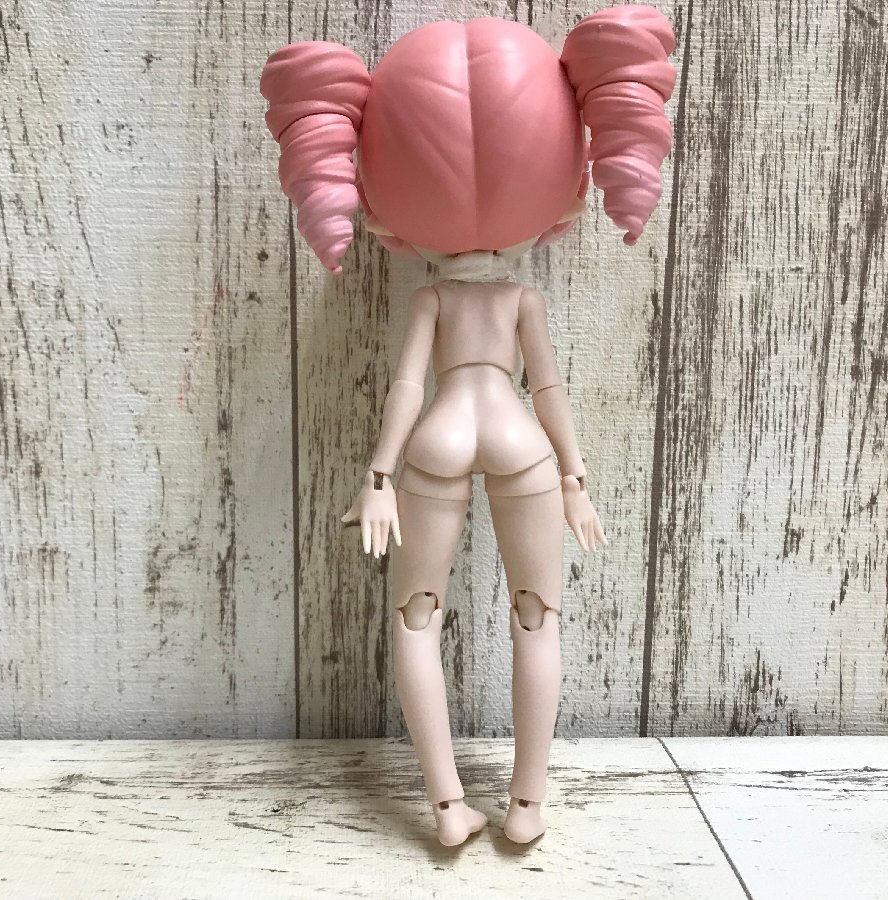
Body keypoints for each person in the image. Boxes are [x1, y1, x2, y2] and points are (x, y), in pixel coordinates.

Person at [260, 7, 676, 846]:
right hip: (521, 439)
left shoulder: (431, 298)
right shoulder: (522, 299)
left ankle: (448, 807)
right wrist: (574, 477)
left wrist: (379, 476)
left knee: (416, 616)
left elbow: (408, 387)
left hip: (438, 438)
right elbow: (546, 388)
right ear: (571, 182)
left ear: (377, 201)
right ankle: (526, 806)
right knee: (537, 615)